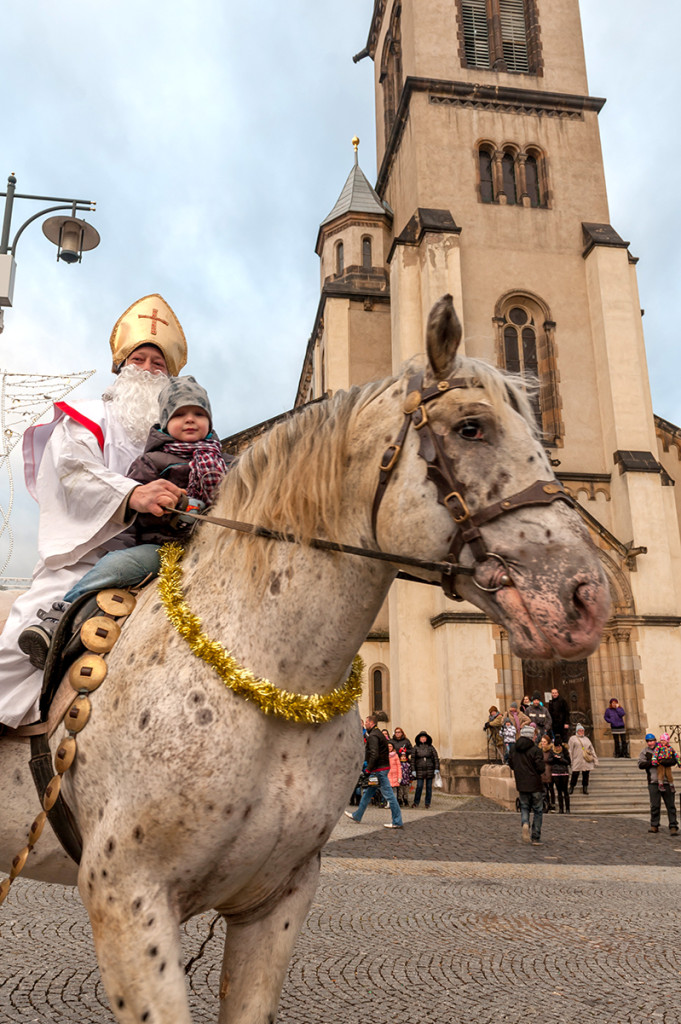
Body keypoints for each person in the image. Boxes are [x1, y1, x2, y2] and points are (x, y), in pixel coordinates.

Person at [0, 294, 188, 730]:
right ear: (120, 368)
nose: (146, 368)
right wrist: (132, 495)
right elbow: (71, 473)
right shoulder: (87, 417)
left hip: (164, 561)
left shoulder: (183, 433)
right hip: (87, 558)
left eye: (158, 364)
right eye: (137, 359)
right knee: (19, 645)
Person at [18, 375, 231, 666]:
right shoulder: (152, 462)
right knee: (115, 568)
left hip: (218, 547)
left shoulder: (228, 462)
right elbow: (129, 517)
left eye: (198, 413)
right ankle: (61, 618)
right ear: (165, 422)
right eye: (180, 414)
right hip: (162, 548)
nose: (190, 420)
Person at [345, 715, 403, 828]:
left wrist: (368, 769)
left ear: (371, 723)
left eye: (366, 722)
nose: (365, 724)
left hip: (379, 770)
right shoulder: (378, 733)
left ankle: (397, 821)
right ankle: (357, 815)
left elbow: (374, 754)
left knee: (389, 795)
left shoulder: (373, 736)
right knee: (368, 793)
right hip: (381, 768)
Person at [509, 723, 545, 845]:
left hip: (521, 783)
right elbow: (541, 768)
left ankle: (525, 823)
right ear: (531, 737)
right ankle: (535, 837)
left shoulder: (514, 749)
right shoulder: (536, 750)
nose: (536, 737)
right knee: (538, 810)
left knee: (524, 807)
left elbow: (511, 764)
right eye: (534, 735)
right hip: (535, 784)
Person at [638, 733, 679, 835]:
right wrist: (651, 763)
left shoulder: (664, 748)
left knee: (670, 805)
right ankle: (654, 825)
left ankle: (673, 826)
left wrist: (664, 761)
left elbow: (674, 759)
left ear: (656, 741)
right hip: (653, 781)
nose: (650, 743)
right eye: (648, 741)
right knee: (655, 805)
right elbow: (640, 764)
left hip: (666, 782)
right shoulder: (645, 752)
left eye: (652, 741)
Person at [410, 730, 440, 809]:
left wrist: (436, 768)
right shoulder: (415, 747)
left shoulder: (431, 747)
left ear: (427, 738)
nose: (423, 739)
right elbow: (412, 760)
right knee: (419, 786)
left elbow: (436, 759)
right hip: (419, 770)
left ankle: (427, 803)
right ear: (419, 739)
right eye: (421, 737)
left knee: (429, 787)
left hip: (429, 769)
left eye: (424, 737)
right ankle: (416, 802)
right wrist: (413, 770)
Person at [568, 723, 598, 794]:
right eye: (580, 730)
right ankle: (572, 786)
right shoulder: (573, 739)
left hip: (586, 759)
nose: (581, 732)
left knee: (586, 774)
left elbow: (592, 749)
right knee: (575, 774)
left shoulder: (587, 739)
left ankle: (585, 787)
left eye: (582, 730)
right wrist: (570, 760)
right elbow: (570, 750)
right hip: (577, 759)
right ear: (577, 731)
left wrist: (595, 759)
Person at [549, 736, 571, 813]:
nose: (558, 748)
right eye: (556, 746)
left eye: (559, 746)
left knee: (565, 791)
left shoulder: (564, 751)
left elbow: (568, 762)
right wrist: (554, 759)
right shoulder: (552, 752)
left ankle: (567, 808)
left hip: (564, 772)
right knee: (559, 791)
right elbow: (549, 760)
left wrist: (561, 759)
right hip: (555, 772)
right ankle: (561, 809)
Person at [538, 734, 555, 810]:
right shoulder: (539, 750)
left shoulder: (551, 750)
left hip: (549, 770)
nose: (543, 743)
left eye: (544, 742)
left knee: (550, 788)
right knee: (544, 789)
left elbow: (552, 760)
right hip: (542, 771)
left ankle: (552, 803)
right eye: (542, 742)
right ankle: (546, 803)